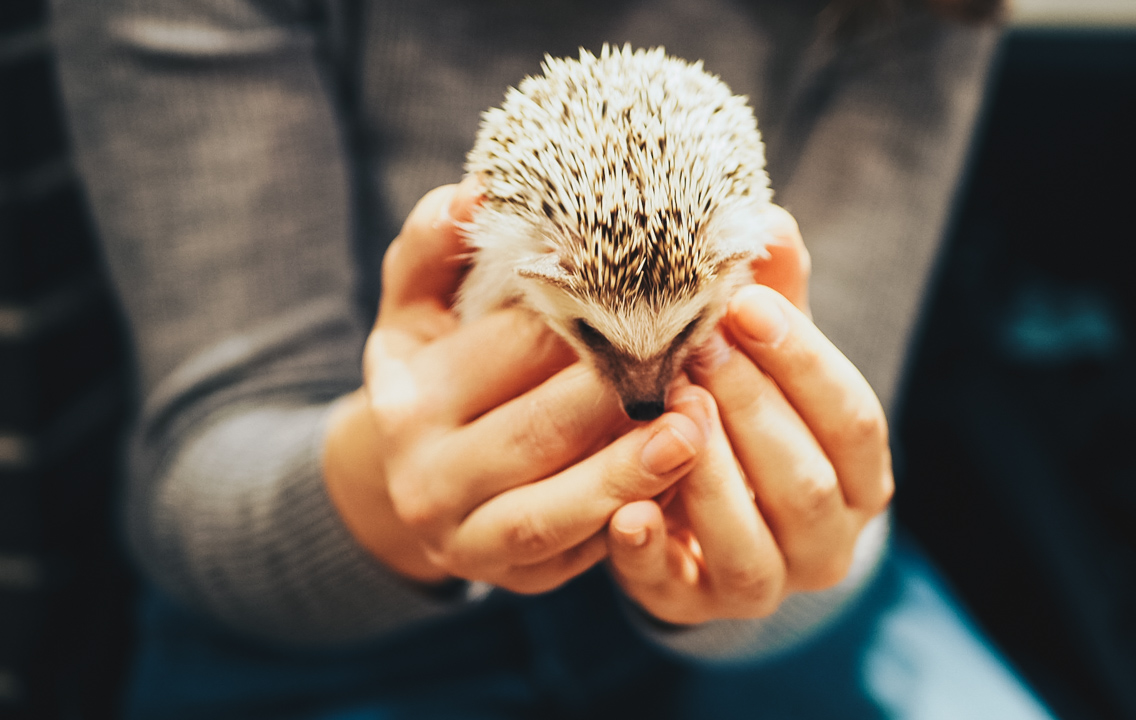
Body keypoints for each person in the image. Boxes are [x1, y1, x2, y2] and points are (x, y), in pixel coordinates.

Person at [50, 0, 1057, 716]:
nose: (642, 393)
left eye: (671, 339)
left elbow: (839, 476)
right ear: (497, 246)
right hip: (324, 644)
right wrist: (390, 497)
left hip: (745, 656)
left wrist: (779, 566)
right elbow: (201, 480)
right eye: (599, 338)